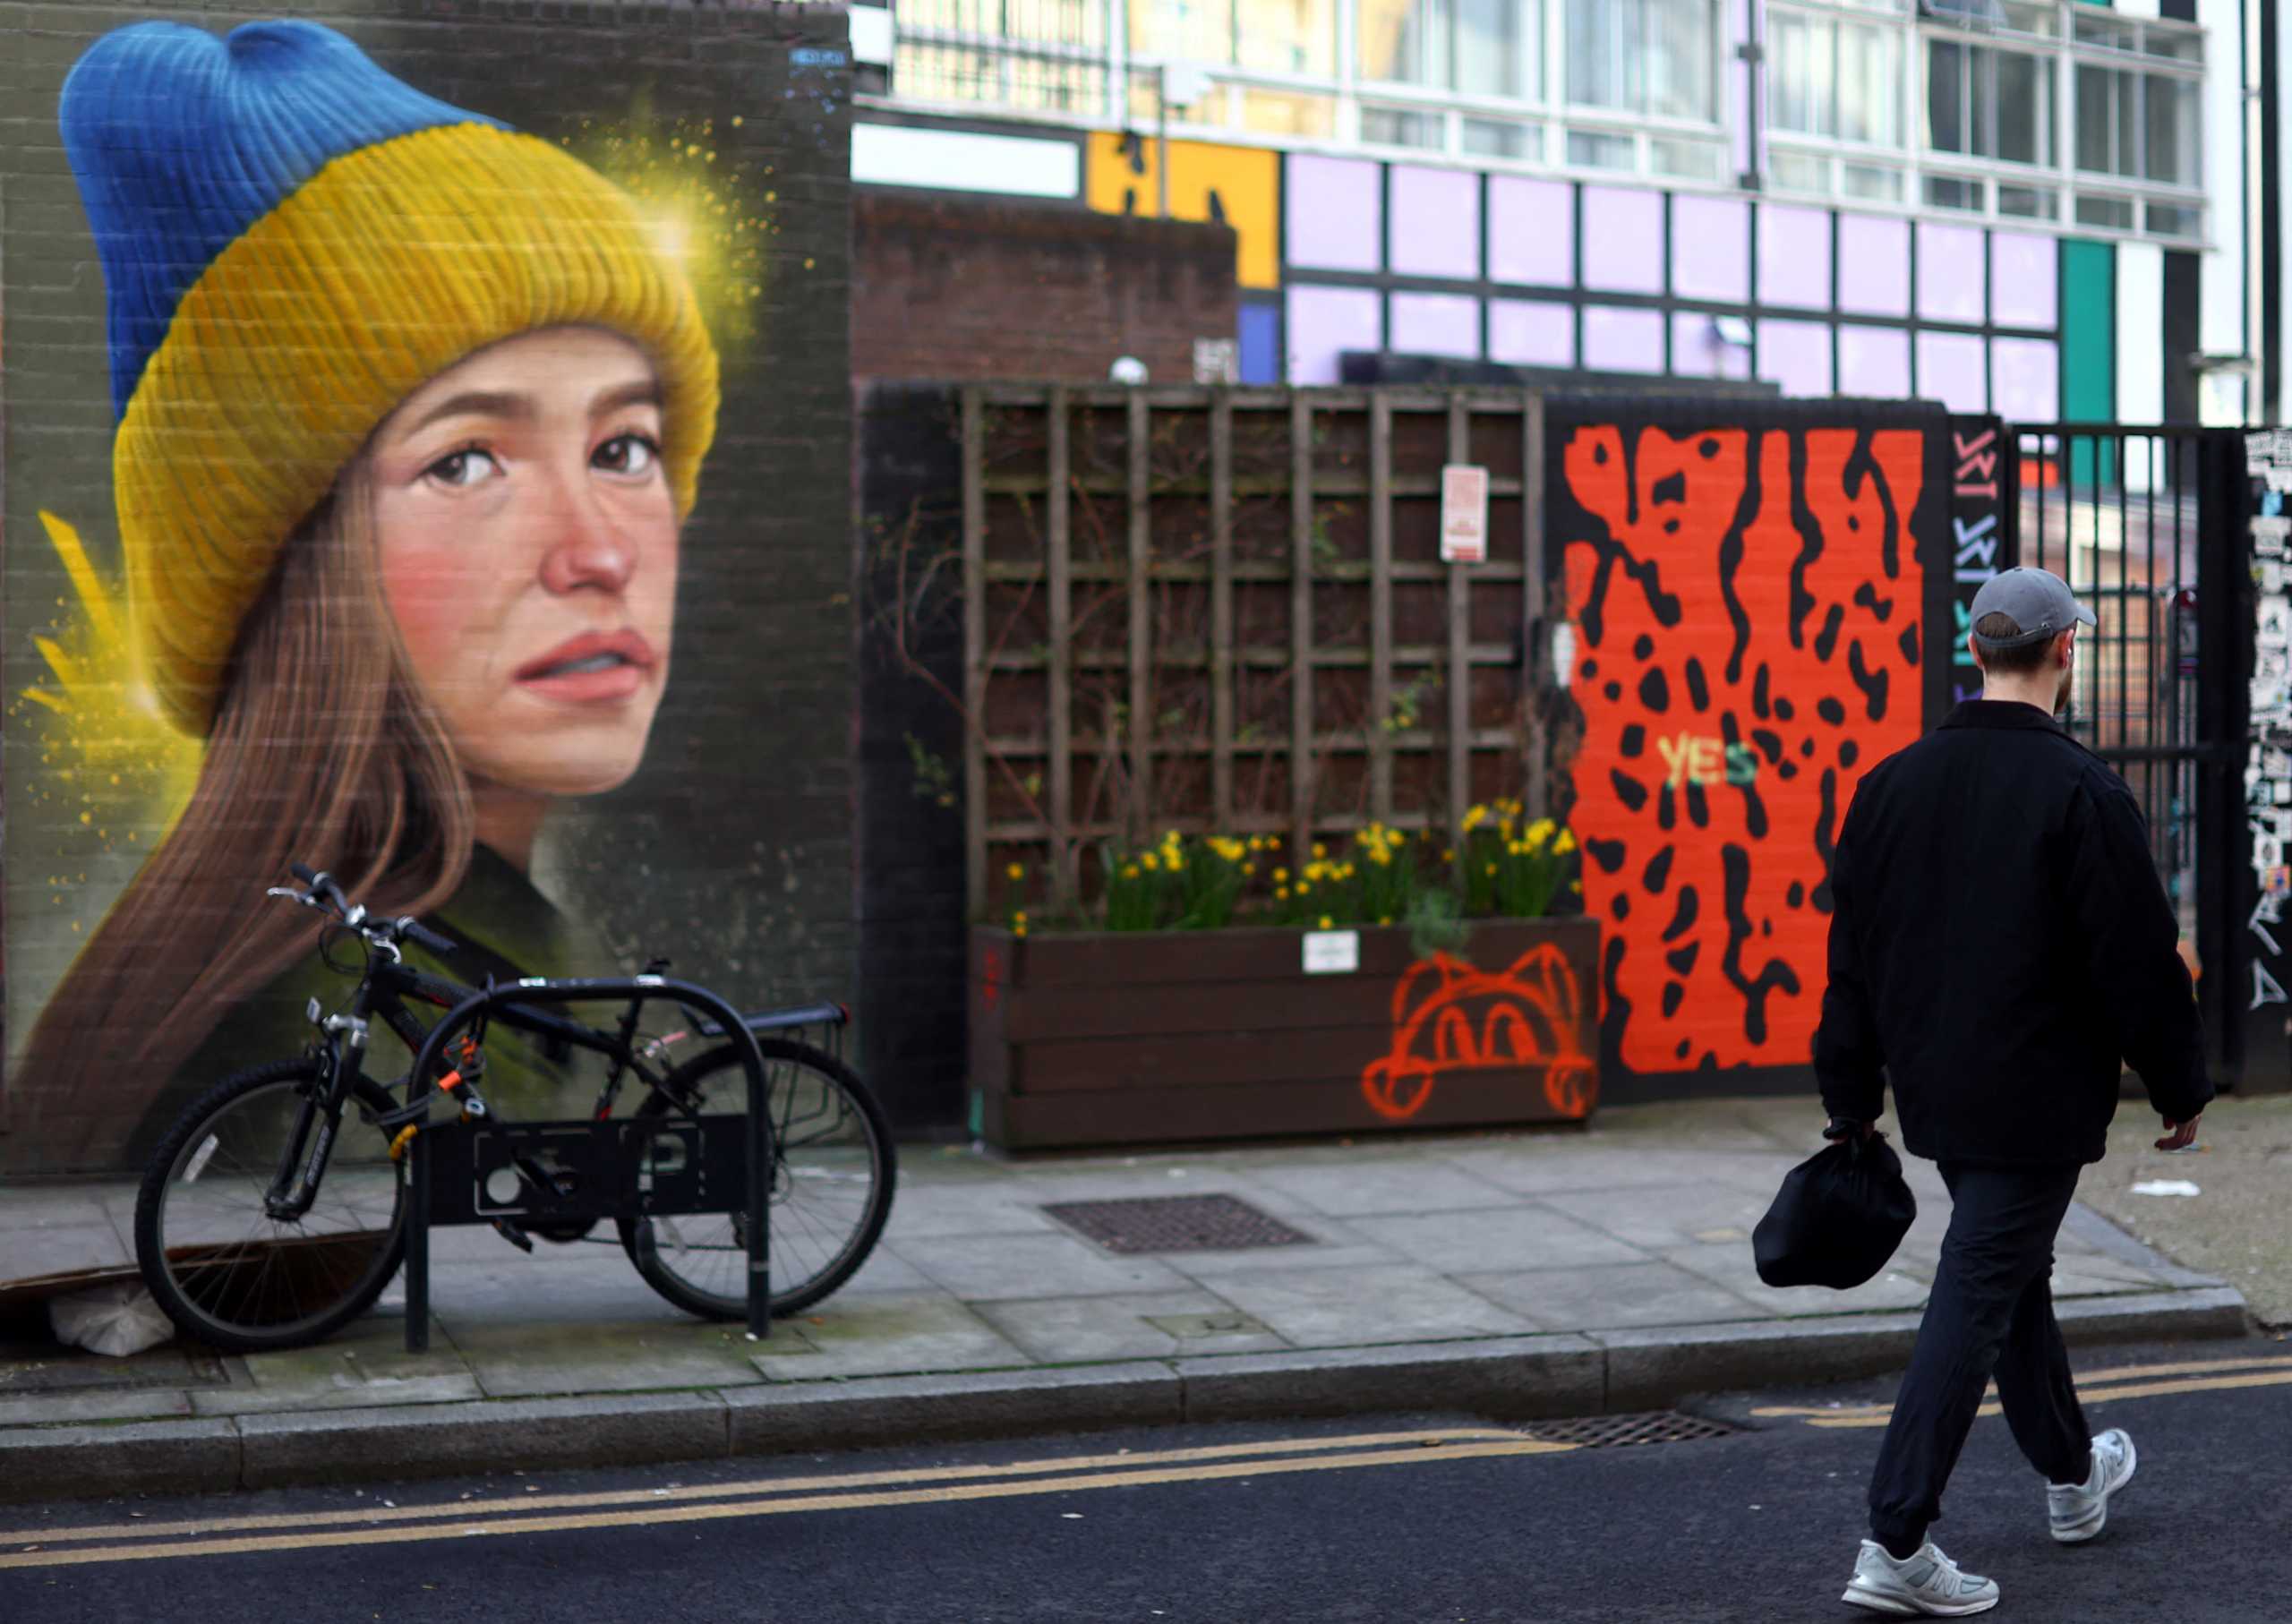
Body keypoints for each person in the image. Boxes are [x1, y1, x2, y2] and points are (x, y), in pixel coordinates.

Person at [10, 18, 721, 1174]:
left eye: (624, 446)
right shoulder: (298, 1056)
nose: (596, 552)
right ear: (292, 566)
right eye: (466, 461)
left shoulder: (322, 965)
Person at [1813, 565, 2211, 1617]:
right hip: (2037, 1098)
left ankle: (2075, 1480)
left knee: (2009, 1273)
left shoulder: (1887, 784)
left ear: (1975, 652)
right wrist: (2181, 1083)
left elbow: (1849, 958)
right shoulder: (2081, 789)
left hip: (1938, 1093)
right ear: (2065, 652)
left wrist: (1849, 1095)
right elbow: (2136, 959)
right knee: (1982, 1281)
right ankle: (1895, 1536)